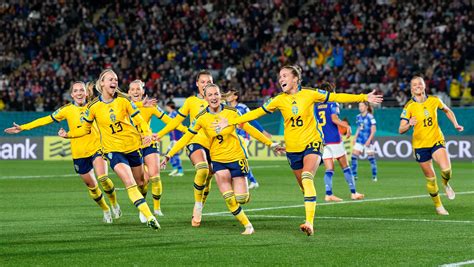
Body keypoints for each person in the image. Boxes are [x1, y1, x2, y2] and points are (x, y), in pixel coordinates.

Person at [214, 65, 383, 236]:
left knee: (307, 177)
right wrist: (232, 121)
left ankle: (309, 222)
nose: (281, 79)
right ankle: (311, 204)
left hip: (313, 143)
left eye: (285, 76)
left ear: (295, 78)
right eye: (280, 76)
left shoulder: (310, 94)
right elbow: (257, 113)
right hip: (292, 149)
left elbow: (335, 96)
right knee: (304, 186)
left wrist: (363, 97)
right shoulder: (279, 99)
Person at [161, 84, 284, 234]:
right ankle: (248, 226)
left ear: (220, 96)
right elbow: (186, 137)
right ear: (205, 98)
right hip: (218, 160)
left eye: (216, 94)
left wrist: (270, 144)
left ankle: (243, 193)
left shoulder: (232, 112)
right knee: (228, 197)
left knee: (241, 198)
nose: (213, 97)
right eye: (210, 95)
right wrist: (169, 155)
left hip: (236, 157)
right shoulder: (201, 118)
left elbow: (249, 129)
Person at [4, 81, 121, 224]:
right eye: (76, 91)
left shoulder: (95, 106)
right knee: (92, 186)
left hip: (97, 148)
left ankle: (114, 203)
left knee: (103, 178)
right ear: (72, 94)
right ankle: (105, 209)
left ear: (86, 93)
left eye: (81, 90)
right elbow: (46, 120)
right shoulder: (66, 110)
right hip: (79, 153)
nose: (79, 93)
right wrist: (23, 128)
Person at [58, 69, 160, 230]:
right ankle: (150, 216)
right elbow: (84, 129)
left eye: (116, 79)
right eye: (111, 79)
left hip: (133, 146)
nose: (115, 81)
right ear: (102, 83)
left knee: (142, 182)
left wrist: (146, 133)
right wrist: (68, 134)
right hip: (113, 151)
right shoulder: (93, 106)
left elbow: (139, 120)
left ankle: (143, 204)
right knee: (129, 182)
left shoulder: (124, 101)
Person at [154, 70, 214, 227]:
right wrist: (159, 135)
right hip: (194, 141)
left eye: (209, 82)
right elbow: (175, 122)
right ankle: (198, 205)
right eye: (203, 82)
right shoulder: (191, 101)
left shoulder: (217, 101)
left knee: (209, 176)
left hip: (214, 144)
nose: (206, 85)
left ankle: (201, 203)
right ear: (197, 84)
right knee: (203, 170)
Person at [399, 76, 463, 215]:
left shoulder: (435, 100)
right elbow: (401, 129)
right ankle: (439, 206)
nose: (418, 86)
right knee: (431, 178)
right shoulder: (409, 106)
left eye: (420, 84)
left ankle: (446, 184)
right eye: (414, 85)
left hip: (436, 140)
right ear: (411, 89)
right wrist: (409, 124)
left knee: (446, 170)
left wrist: (456, 124)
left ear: (424, 86)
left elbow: (447, 110)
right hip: (420, 146)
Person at [128, 80, 187, 220]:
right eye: (133, 89)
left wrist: (187, 130)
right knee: (141, 182)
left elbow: (169, 121)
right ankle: (143, 207)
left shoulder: (151, 107)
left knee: (155, 176)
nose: (136, 91)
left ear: (143, 91)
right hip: (131, 147)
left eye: (138, 89)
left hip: (149, 143)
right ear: (129, 92)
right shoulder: (123, 106)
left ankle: (156, 208)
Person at [315, 83, 365, 202]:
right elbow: (334, 119)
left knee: (329, 169)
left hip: (324, 141)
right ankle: (353, 193)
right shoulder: (333, 102)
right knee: (345, 166)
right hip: (334, 139)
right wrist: (346, 126)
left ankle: (329, 194)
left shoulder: (316, 106)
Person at [224, 88, 273, 189]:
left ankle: (251, 180)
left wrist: (263, 132)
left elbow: (252, 120)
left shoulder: (242, 107)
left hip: (243, 136)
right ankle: (250, 180)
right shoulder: (226, 109)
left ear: (236, 97)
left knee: (239, 158)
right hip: (232, 136)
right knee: (236, 158)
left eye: (230, 94)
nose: (227, 96)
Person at [351, 102, 378, 182]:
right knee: (353, 157)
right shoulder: (358, 117)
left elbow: (374, 130)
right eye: (359, 106)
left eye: (362, 106)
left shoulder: (370, 117)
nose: (360, 107)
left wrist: (369, 140)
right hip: (359, 140)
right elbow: (359, 128)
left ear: (366, 107)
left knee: (371, 159)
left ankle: (374, 176)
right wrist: (355, 137)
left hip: (368, 141)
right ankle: (354, 175)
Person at [165, 101, 185, 177]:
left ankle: (180, 170)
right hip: (175, 137)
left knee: (173, 153)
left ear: (169, 106)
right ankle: (175, 168)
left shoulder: (172, 115)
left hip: (175, 138)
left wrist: (174, 139)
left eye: (167, 106)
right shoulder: (175, 114)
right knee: (170, 153)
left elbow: (173, 127)